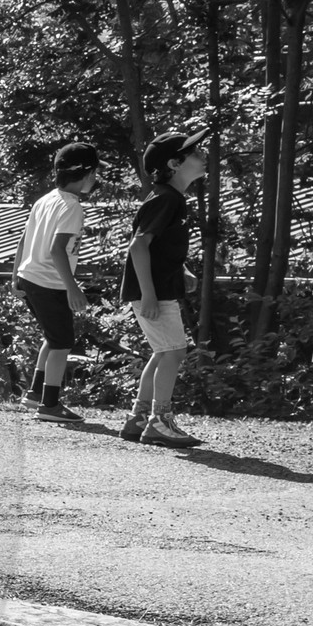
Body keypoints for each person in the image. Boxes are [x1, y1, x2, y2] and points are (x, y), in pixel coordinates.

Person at [119, 130, 205, 447]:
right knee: (174, 352)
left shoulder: (171, 199)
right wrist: (149, 294)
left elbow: (156, 247)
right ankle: (159, 421)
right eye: (194, 152)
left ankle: (139, 418)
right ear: (173, 163)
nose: (202, 154)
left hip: (157, 289)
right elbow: (138, 247)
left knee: (163, 352)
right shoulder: (166, 199)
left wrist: (182, 269)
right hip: (152, 293)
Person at [13, 141, 98, 423]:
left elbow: (24, 240)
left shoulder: (46, 199)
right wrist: (73, 287)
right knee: (62, 342)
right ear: (87, 175)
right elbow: (57, 249)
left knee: (53, 337)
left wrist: (16, 277)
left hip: (30, 278)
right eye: (94, 174)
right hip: (50, 283)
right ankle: (50, 405)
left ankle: (36, 393)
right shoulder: (72, 207)